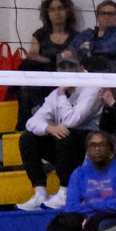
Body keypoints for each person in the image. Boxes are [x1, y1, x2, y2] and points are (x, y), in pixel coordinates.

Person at [18, 53, 102, 210]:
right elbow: (31, 123)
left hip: (89, 143)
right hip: (66, 147)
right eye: (63, 67)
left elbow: (73, 120)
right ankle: (40, 191)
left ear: (81, 68)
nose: (68, 71)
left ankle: (66, 190)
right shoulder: (55, 94)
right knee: (28, 138)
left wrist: (62, 95)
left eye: (72, 66)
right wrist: (49, 128)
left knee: (66, 133)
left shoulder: (93, 86)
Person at [17, 0, 80, 122]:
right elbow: (33, 57)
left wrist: (46, 59)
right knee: (26, 69)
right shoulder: (40, 34)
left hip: (62, 74)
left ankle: (38, 109)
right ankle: (24, 124)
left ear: (67, 11)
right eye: (52, 9)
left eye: (60, 8)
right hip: (42, 76)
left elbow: (72, 60)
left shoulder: (75, 36)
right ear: (47, 13)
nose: (57, 13)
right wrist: (51, 60)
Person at [68, 130, 116, 227]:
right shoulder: (79, 173)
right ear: (87, 151)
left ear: (110, 149)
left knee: (101, 225)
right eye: (92, 145)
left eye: (102, 145)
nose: (97, 149)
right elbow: (71, 207)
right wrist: (107, 204)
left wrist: (90, 203)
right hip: (87, 218)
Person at [69, 0, 116, 69]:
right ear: (98, 17)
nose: (106, 17)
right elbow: (71, 50)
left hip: (110, 72)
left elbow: (109, 49)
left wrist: (87, 46)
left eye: (110, 14)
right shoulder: (86, 34)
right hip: (84, 72)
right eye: (103, 13)